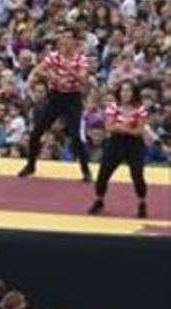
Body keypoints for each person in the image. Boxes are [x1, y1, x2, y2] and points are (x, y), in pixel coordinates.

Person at [18, 32, 91, 181]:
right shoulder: (54, 56)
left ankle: (86, 170)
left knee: (75, 135)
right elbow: (39, 69)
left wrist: (70, 70)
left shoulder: (80, 59)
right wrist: (51, 76)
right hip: (56, 96)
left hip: (72, 97)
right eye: (62, 40)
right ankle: (30, 165)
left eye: (68, 40)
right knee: (37, 132)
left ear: (74, 43)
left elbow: (83, 79)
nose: (64, 43)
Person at [89, 81, 149, 218]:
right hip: (115, 143)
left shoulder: (140, 109)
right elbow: (109, 127)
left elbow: (139, 131)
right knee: (103, 174)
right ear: (119, 93)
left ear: (134, 93)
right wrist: (128, 127)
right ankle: (99, 200)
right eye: (123, 91)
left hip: (134, 145)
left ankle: (142, 203)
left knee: (137, 174)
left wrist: (121, 127)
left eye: (128, 91)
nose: (125, 94)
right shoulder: (113, 107)